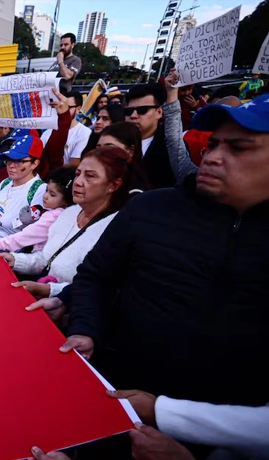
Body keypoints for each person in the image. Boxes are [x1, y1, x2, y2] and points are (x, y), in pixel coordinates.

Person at [53, 95, 269, 456]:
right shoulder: (150, 209)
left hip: (224, 434)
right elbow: (95, 277)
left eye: (240, 148)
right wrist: (85, 329)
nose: (213, 156)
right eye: (213, 144)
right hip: (117, 396)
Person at [0, 147, 132, 299]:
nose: (78, 182)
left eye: (90, 176)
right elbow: (46, 259)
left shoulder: (113, 230)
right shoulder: (69, 213)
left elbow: (98, 290)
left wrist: (50, 290)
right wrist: (14, 259)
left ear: (113, 185)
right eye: (78, 174)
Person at [0, 166, 75, 253]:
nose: (46, 196)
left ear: (66, 200)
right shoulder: (62, 214)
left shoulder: (52, 217)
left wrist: (0, 244)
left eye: (52, 194)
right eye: (46, 190)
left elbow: (27, 236)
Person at [0, 135, 47, 240]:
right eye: (8, 160)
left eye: (19, 161)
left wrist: (3, 246)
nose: (11, 166)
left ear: (34, 164)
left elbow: (34, 235)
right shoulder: (5, 183)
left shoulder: (40, 190)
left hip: (13, 253)